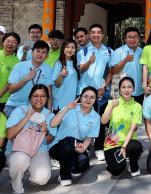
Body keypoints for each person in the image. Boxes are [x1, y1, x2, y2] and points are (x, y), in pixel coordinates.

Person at [5, 84, 56, 194]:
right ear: (29, 98)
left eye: (43, 96)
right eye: (35, 96)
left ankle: (30, 168)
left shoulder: (49, 115)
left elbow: (50, 139)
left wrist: (45, 132)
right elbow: (9, 135)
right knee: (20, 160)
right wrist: (27, 117)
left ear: (47, 98)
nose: (39, 99)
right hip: (18, 150)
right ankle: (16, 182)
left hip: (39, 150)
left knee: (42, 179)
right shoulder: (19, 111)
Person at [49, 86, 101, 185]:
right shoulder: (70, 108)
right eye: (85, 96)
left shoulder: (96, 117)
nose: (88, 99)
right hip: (58, 147)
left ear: (95, 100)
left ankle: (68, 166)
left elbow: (89, 137)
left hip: (76, 147)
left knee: (83, 164)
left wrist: (83, 148)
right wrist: (67, 108)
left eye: (92, 97)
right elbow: (52, 124)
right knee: (70, 141)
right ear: (80, 98)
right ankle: (64, 176)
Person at [77, 24, 113, 160]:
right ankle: (82, 147)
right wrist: (89, 62)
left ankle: (98, 147)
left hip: (100, 92)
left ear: (102, 35)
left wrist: (104, 86)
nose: (96, 35)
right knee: (83, 120)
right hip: (83, 91)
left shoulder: (108, 51)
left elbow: (111, 71)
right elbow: (80, 69)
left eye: (99, 32)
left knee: (99, 120)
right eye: (93, 32)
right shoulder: (82, 52)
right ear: (89, 35)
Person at [102, 77, 144, 177]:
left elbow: (132, 128)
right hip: (112, 142)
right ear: (120, 89)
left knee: (135, 146)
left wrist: (124, 146)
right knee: (116, 170)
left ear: (133, 89)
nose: (126, 90)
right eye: (123, 87)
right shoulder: (112, 103)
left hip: (129, 142)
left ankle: (133, 164)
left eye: (129, 87)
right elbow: (104, 121)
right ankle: (116, 161)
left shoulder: (137, 106)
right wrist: (111, 105)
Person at [6, 41, 53, 117]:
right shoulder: (20, 66)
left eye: (44, 52)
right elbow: (11, 89)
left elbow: (49, 94)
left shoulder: (48, 69)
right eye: (37, 51)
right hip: (14, 106)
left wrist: (49, 114)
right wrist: (26, 79)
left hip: (36, 108)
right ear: (32, 52)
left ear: (47, 55)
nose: (40, 54)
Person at [110, 27, 144, 104]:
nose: (132, 39)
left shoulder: (142, 51)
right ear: (125, 39)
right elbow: (114, 71)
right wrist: (125, 60)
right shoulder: (118, 52)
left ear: (139, 39)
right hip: (123, 92)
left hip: (139, 91)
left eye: (135, 37)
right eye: (129, 37)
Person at [52, 39, 80, 112]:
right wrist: (61, 75)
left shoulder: (74, 63)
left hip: (71, 102)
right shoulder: (59, 63)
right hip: (60, 103)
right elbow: (56, 84)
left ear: (75, 50)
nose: (70, 49)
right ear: (63, 49)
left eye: (73, 47)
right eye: (67, 47)